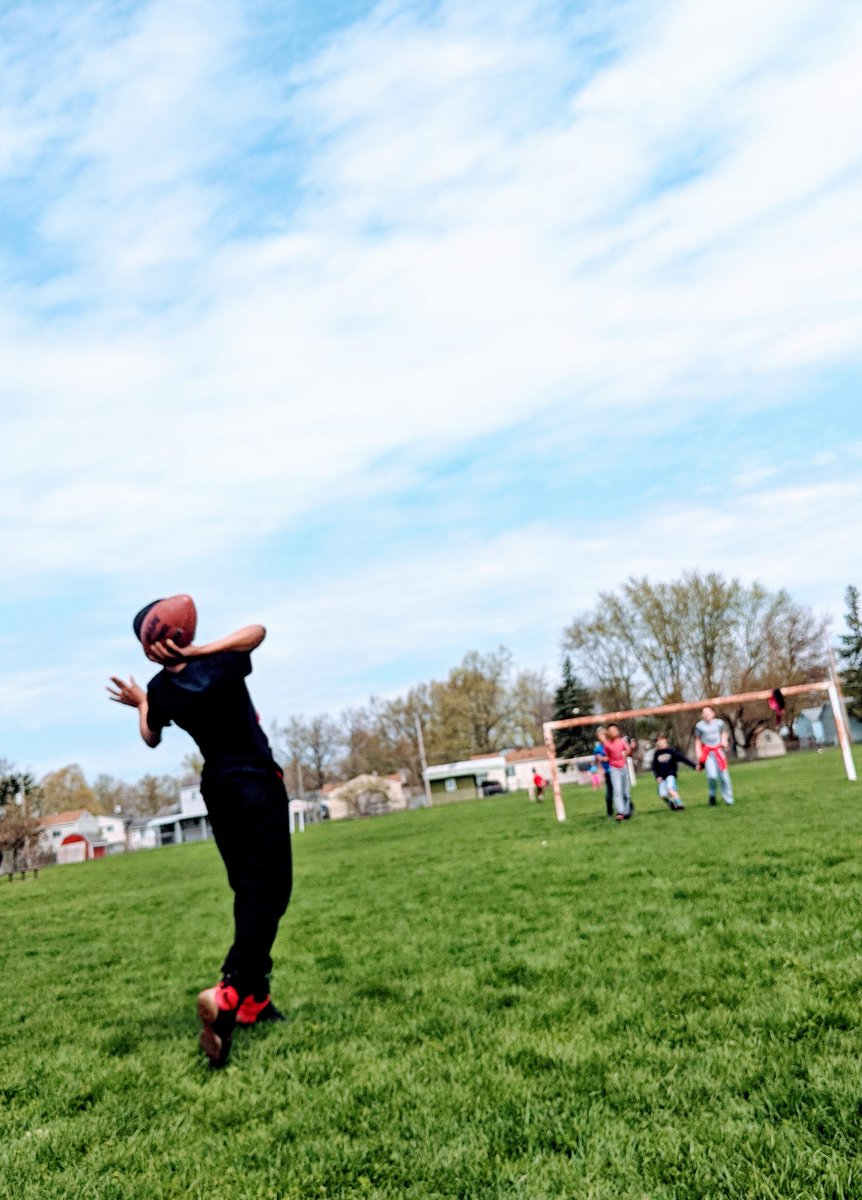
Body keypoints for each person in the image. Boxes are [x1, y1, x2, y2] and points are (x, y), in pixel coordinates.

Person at [107, 600, 292, 1068]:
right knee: (271, 890)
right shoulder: (222, 663)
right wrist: (201, 648)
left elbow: (151, 736)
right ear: (183, 633)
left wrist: (143, 701)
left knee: (248, 889)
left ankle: (254, 1000)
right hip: (255, 782)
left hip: (218, 790)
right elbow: (258, 630)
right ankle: (231, 991)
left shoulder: (162, 689)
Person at [694, 705, 735, 806]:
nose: (706, 714)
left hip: (718, 751)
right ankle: (712, 796)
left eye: (708, 712)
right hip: (707, 753)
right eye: (704, 713)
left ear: (713, 714)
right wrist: (698, 753)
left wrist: (724, 741)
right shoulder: (699, 726)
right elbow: (697, 740)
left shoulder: (719, 723)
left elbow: (724, 733)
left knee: (724, 777)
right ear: (702, 715)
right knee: (712, 776)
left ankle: (728, 800)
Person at [651, 733, 696, 811]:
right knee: (662, 795)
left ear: (665, 741)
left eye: (661, 740)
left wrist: (694, 766)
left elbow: (683, 759)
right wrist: (657, 776)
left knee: (670, 788)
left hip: (670, 774)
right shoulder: (657, 754)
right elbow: (654, 767)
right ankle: (671, 803)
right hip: (662, 777)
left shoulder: (671, 751)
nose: (660, 742)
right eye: (658, 740)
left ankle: (680, 805)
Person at [603, 724, 633, 821]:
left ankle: (626, 810)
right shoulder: (607, 744)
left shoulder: (622, 741)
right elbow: (607, 755)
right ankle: (620, 812)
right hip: (614, 769)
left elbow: (628, 750)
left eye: (614, 730)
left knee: (626, 792)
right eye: (611, 730)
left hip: (623, 767)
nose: (613, 732)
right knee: (617, 790)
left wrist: (626, 752)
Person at [593, 725, 613, 817]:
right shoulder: (598, 748)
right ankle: (610, 812)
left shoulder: (611, 744)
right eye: (599, 736)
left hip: (616, 770)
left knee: (620, 792)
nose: (600, 737)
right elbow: (597, 759)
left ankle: (628, 808)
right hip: (607, 772)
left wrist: (606, 758)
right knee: (609, 793)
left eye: (601, 735)